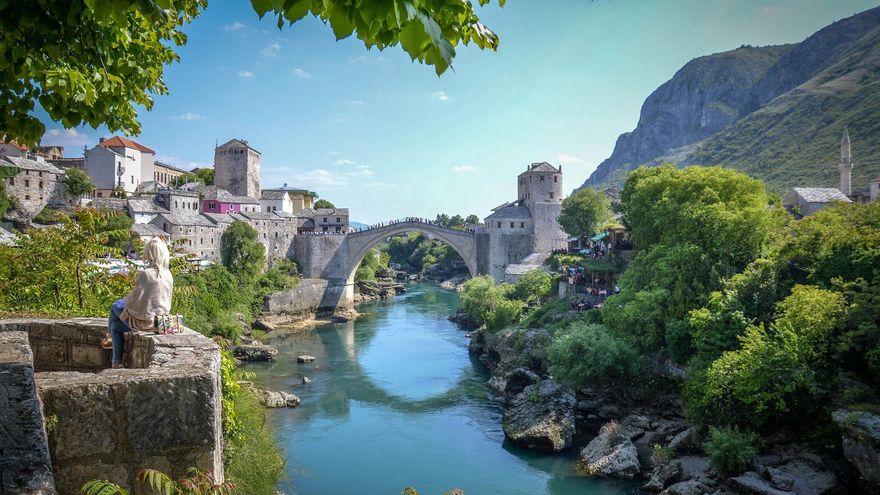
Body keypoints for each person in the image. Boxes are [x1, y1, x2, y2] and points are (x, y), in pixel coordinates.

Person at [101, 238, 174, 368]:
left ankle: (109, 338)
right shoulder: (168, 274)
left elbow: (135, 300)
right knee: (116, 326)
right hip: (160, 321)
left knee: (115, 306)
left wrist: (125, 301)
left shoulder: (146, 274)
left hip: (145, 323)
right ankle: (115, 363)